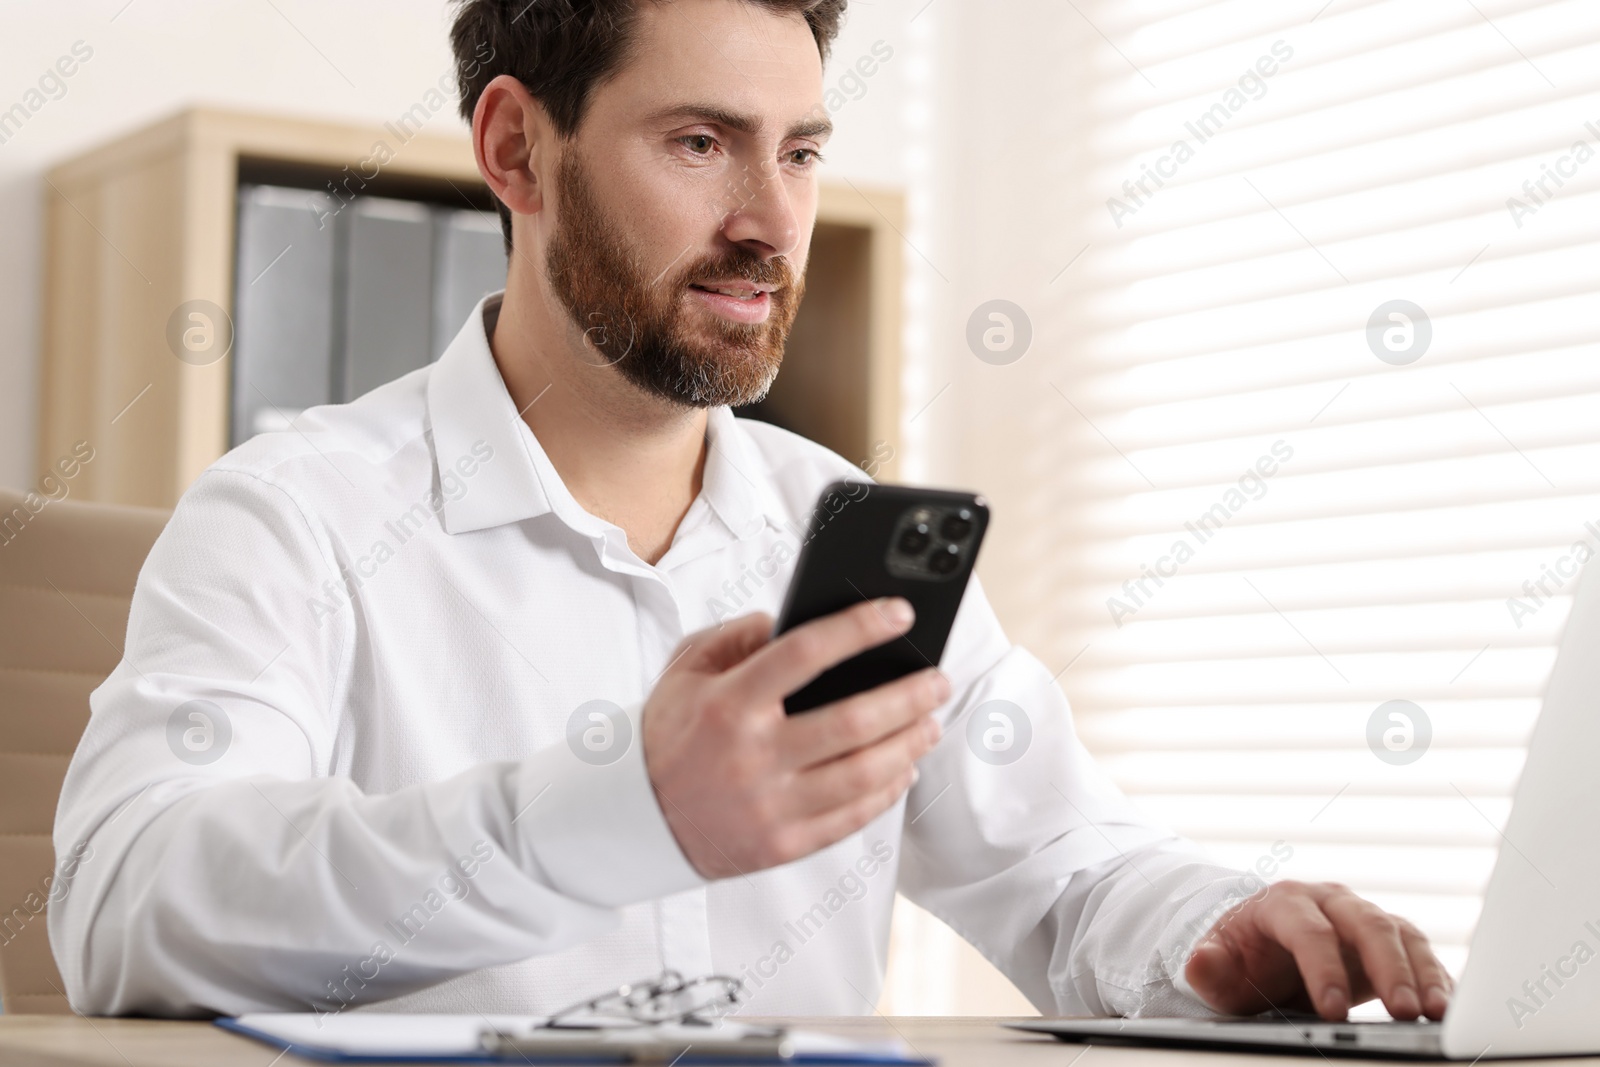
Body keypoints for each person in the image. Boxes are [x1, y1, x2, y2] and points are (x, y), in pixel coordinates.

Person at [50, 0, 1451, 1023]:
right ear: (516, 149)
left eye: (798, 152)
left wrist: (1220, 932)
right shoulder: (294, 516)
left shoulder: (833, 527)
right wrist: (622, 812)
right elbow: (131, 907)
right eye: (702, 142)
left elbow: (1062, 869)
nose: (770, 225)